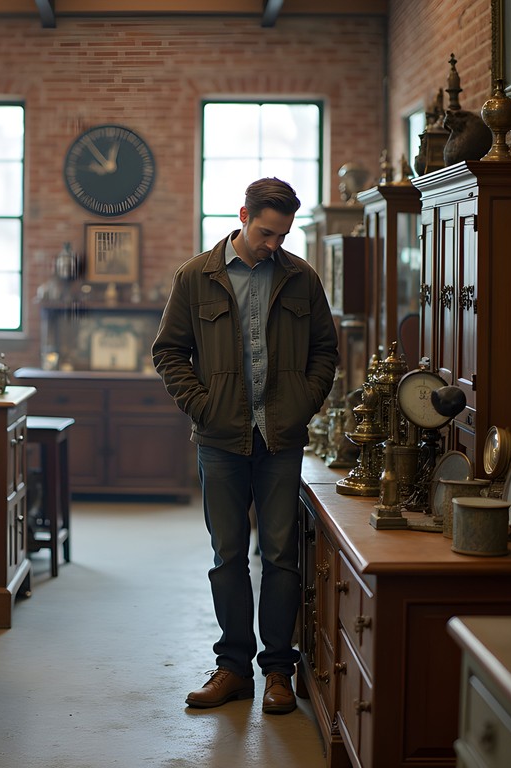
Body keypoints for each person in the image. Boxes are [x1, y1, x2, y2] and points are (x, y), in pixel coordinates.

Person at [152, 177, 338, 713]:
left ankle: (278, 670)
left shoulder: (302, 278)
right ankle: (233, 668)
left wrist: (303, 402)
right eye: (265, 233)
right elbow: (169, 352)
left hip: (281, 438)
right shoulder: (196, 276)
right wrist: (203, 405)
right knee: (227, 555)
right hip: (219, 438)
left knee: (280, 556)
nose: (273, 244)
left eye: (282, 235)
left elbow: (325, 351)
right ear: (242, 216)